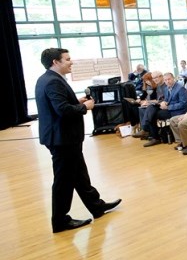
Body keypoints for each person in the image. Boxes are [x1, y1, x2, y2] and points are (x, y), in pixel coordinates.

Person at [35, 48, 122, 233]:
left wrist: (77, 101)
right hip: (62, 138)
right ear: (55, 62)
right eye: (67, 59)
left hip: (64, 137)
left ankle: (96, 206)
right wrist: (84, 106)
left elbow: (59, 105)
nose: (71, 62)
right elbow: (62, 110)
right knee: (64, 181)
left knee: (79, 175)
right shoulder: (53, 82)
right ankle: (60, 220)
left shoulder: (47, 79)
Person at [142, 72, 187, 147]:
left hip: (178, 111)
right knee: (151, 107)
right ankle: (147, 130)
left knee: (153, 114)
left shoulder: (180, 88)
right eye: (166, 80)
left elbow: (183, 104)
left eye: (169, 79)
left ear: (173, 78)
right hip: (169, 109)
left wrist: (168, 107)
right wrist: (164, 102)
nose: (167, 81)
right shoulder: (166, 88)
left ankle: (151, 134)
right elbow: (167, 100)